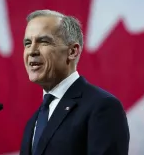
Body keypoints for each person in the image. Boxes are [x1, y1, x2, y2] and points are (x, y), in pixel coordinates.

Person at [20, 9, 130, 155]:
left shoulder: (102, 107)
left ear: (72, 51)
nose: (32, 51)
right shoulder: (33, 121)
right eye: (27, 43)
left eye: (44, 41)